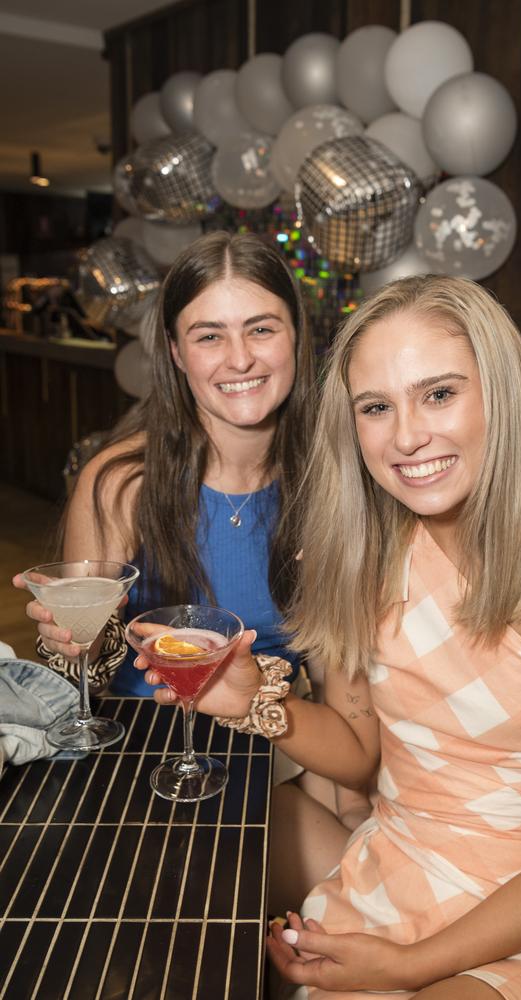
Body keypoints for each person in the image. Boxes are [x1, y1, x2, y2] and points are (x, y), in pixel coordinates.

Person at [143, 274, 521, 998]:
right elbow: (358, 755)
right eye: (376, 407)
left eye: (439, 393)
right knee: (205, 844)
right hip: (394, 859)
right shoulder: (359, 556)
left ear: (500, 394)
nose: (408, 435)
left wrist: (409, 966)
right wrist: (255, 699)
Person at [13, 230, 358, 912]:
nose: (239, 358)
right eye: (208, 336)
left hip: (272, 747)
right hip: (138, 757)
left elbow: (350, 721)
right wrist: (74, 642)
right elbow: (95, 674)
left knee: (356, 904)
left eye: (262, 328)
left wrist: (346, 798)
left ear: (298, 337)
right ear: (174, 352)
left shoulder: (334, 489)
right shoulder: (120, 481)